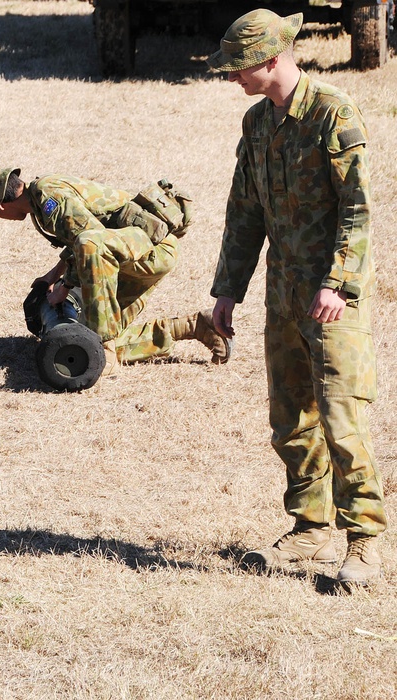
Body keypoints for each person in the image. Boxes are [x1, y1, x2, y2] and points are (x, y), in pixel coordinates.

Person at [207, 10, 387, 586]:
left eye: (239, 67)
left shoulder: (334, 113)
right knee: (290, 416)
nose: (232, 77)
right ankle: (309, 528)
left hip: (332, 298)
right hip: (282, 297)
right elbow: (245, 213)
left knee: (341, 416)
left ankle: (364, 541)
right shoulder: (256, 125)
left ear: (271, 59)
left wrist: (337, 284)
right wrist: (227, 292)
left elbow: (357, 208)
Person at [0, 166, 231, 371]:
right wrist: (53, 275)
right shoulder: (41, 197)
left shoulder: (48, 197)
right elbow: (79, 239)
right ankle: (195, 327)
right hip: (131, 250)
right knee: (83, 341)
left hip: (150, 252)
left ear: (1, 206)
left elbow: (90, 241)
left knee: (97, 344)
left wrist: (65, 287)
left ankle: (105, 350)